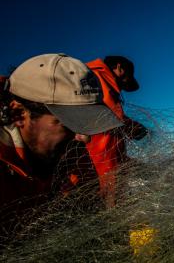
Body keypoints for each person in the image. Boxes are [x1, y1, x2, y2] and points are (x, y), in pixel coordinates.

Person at [0, 53, 122, 240]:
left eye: (86, 124)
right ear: (18, 114)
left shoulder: (62, 153)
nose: (84, 138)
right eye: (68, 123)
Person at [85, 56, 148, 206]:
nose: (122, 89)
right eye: (127, 78)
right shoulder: (94, 78)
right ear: (119, 68)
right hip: (99, 171)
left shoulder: (102, 84)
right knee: (106, 210)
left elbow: (107, 114)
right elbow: (100, 122)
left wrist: (132, 126)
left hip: (107, 166)